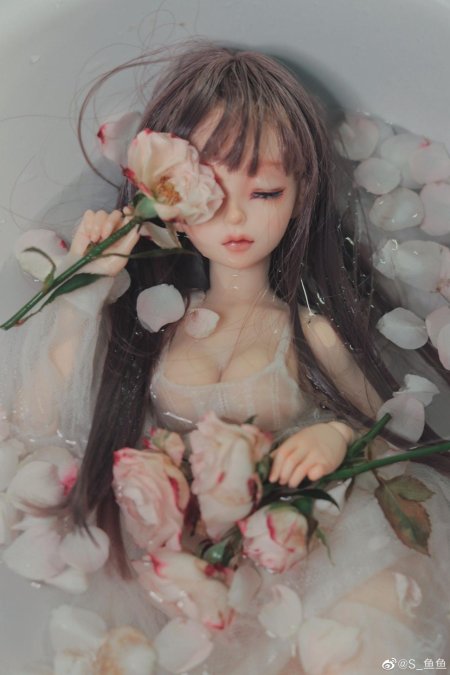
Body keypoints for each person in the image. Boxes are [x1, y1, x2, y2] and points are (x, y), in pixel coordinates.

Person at [0, 41, 449, 674]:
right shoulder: (151, 330)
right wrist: (85, 292)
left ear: (300, 194)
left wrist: (335, 435)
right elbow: (32, 420)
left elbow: (390, 430)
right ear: (166, 199)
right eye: (208, 191)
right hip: (183, 568)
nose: (236, 215)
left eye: (265, 191)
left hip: (305, 544)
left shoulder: (308, 332)